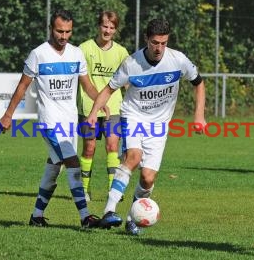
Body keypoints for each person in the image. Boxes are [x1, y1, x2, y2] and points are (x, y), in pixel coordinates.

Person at [87, 18, 206, 235]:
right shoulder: (131, 64)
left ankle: (133, 217)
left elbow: (198, 83)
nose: (159, 48)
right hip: (134, 117)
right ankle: (109, 211)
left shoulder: (178, 60)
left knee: (148, 178)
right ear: (146, 40)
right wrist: (94, 113)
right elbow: (108, 89)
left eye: (163, 43)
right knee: (132, 157)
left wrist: (199, 115)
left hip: (159, 125)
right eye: (154, 43)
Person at [0, 9, 106, 229]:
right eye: (59, 31)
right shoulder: (38, 54)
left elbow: (86, 85)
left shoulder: (76, 54)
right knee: (73, 163)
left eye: (68, 32)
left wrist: (101, 104)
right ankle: (85, 217)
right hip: (49, 122)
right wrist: (8, 114)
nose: (64, 36)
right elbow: (22, 86)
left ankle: (36, 216)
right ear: (51, 28)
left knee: (54, 167)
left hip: (69, 123)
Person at [78, 11, 129, 202]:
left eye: (112, 27)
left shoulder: (121, 52)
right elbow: (82, 80)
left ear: (116, 30)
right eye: (105, 26)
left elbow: (127, 80)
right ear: (99, 26)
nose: (107, 30)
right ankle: (84, 190)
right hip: (88, 107)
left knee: (112, 146)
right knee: (89, 148)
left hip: (114, 107)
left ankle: (113, 191)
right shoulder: (84, 48)